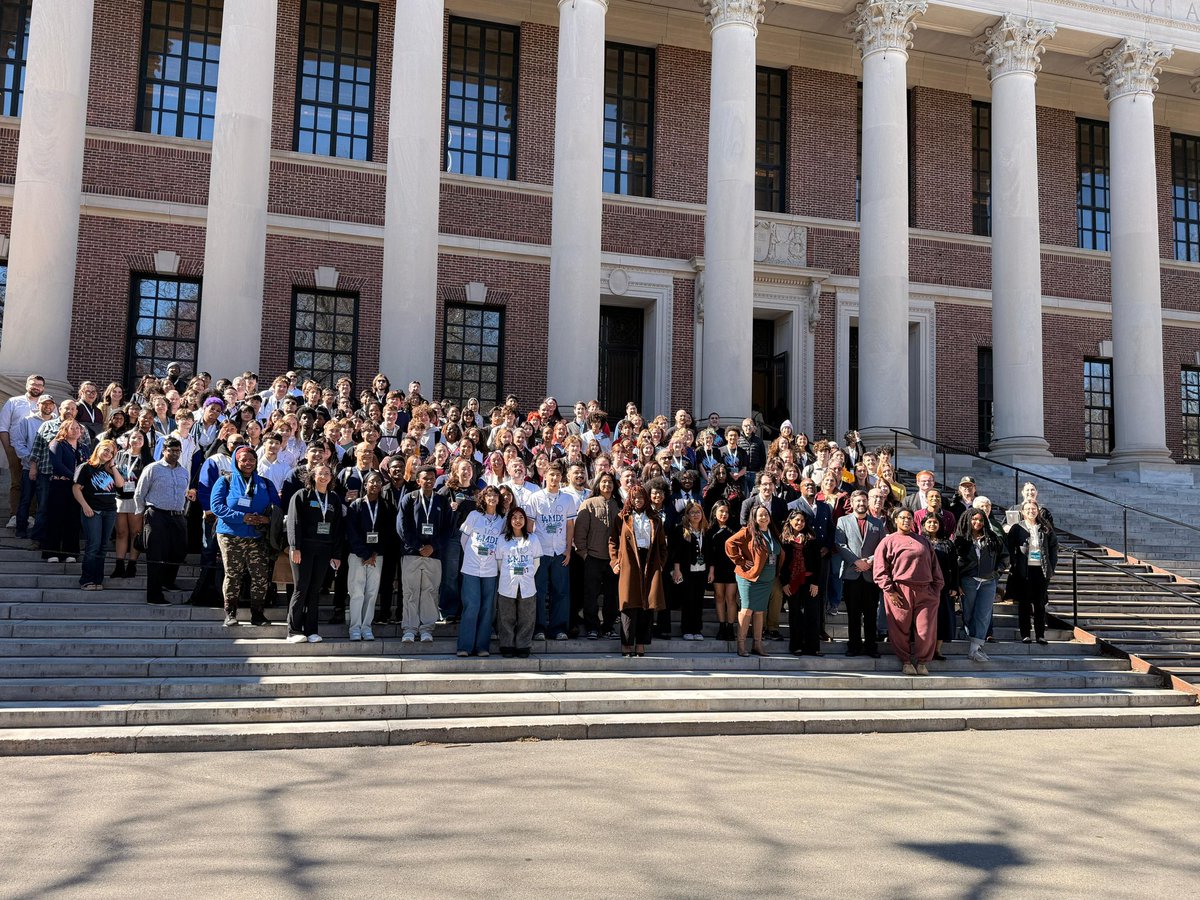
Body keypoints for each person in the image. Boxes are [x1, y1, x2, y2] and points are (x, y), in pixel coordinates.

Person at [210, 445, 280, 628]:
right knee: (233, 575)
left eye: (252, 460)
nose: (248, 463)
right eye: (244, 460)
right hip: (231, 535)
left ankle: (257, 614)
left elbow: (278, 508)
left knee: (260, 576)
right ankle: (230, 613)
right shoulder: (225, 481)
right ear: (236, 461)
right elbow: (217, 507)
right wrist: (242, 517)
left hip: (258, 537)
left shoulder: (266, 483)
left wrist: (267, 519)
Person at [873, 508, 945, 676]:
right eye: (902, 517)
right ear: (895, 520)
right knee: (900, 627)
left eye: (909, 518)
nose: (906, 520)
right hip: (899, 590)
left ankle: (922, 662)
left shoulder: (922, 541)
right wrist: (890, 590)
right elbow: (879, 569)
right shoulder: (888, 541)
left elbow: (935, 566)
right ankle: (905, 661)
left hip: (926, 591)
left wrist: (936, 589)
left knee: (925, 628)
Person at [285, 462, 345, 643]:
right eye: (320, 473)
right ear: (312, 476)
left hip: (324, 549)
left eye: (328, 473)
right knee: (301, 588)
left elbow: (337, 528)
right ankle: (293, 630)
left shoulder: (333, 498)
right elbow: (293, 523)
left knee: (314, 590)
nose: (324, 476)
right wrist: (295, 547)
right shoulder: (302, 495)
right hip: (303, 549)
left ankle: (311, 630)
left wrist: (336, 554)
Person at [133, 436, 195, 606]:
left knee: (180, 551)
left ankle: (168, 581)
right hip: (156, 514)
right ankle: (154, 595)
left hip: (177, 514)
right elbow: (139, 493)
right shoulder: (153, 468)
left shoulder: (183, 471)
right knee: (156, 555)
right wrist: (140, 514)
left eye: (177, 451)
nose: (175, 454)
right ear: (164, 450)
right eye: (171, 450)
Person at [609, 484, 667, 658]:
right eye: (634, 497)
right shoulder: (622, 517)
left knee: (647, 606)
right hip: (629, 561)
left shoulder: (655, 518)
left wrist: (661, 563)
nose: (638, 500)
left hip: (650, 560)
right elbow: (612, 541)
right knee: (629, 604)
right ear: (630, 499)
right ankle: (627, 644)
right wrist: (615, 563)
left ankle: (641, 644)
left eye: (641, 497)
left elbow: (662, 545)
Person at [397, 465, 452, 642]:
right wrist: (419, 546)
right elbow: (402, 527)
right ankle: (410, 629)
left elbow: (448, 529)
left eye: (431, 478)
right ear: (418, 480)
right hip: (412, 553)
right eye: (424, 478)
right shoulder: (409, 499)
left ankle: (427, 628)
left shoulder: (442, 501)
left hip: (433, 555)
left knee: (430, 591)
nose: (428, 481)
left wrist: (433, 547)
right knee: (410, 592)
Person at [527, 462, 577, 641]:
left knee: (561, 591)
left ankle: (558, 628)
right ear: (545, 477)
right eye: (551, 475)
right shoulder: (535, 498)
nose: (554, 478)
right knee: (539, 591)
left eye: (557, 475)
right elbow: (530, 526)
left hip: (560, 552)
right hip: (540, 552)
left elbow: (570, 526)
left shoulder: (567, 499)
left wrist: (568, 549)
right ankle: (539, 627)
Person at [833, 489, 885, 658]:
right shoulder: (843, 521)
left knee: (871, 613)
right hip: (851, 574)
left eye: (864, 501)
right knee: (853, 613)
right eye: (858, 501)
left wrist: (869, 561)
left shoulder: (877, 523)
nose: (861, 504)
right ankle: (853, 645)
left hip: (870, 575)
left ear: (867, 502)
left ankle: (871, 646)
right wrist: (856, 561)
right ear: (852, 503)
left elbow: (882, 547)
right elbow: (840, 544)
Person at [345, 471, 396, 641]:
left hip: (377, 556)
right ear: (365, 485)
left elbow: (389, 533)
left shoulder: (387, 506)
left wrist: (375, 552)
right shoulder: (356, 505)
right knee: (357, 591)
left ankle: (366, 626)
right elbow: (351, 532)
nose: (375, 485)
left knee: (372, 592)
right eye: (371, 482)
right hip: (357, 554)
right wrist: (365, 553)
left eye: (378, 482)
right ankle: (355, 627)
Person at [725, 505, 780, 658]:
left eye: (766, 514)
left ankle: (757, 645)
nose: (764, 517)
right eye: (760, 515)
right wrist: (740, 561)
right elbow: (729, 543)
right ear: (754, 518)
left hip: (767, 578)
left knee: (760, 610)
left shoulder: (772, 531)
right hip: (749, 577)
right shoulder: (748, 531)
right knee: (747, 609)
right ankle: (741, 645)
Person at [955, 507, 1009, 662]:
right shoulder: (960, 540)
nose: (977, 522)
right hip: (968, 581)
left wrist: (996, 573)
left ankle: (975, 648)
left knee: (983, 615)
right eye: (974, 519)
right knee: (969, 612)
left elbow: (1005, 557)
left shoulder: (992, 538)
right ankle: (967, 633)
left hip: (988, 582)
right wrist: (956, 583)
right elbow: (953, 564)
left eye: (980, 520)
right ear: (967, 520)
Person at [572, 471, 622, 639]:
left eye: (610, 482)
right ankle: (592, 627)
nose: (607, 485)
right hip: (592, 557)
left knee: (611, 595)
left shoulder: (619, 505)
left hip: (613, 560)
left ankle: (608, 627)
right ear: (598, 485)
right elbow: (579, 533)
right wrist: (584, 554)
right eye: (604, 482)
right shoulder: (588, 504)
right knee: (590, 595)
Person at [456, 484, 504, 656]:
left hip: (491, 570)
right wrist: (472, 555)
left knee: (487, 608)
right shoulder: (474, 516)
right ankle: (465, 646)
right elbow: (463, 540)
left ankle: (482, 646)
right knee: (472, 605)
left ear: (499, 499)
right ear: (483, 498)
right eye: (489, 495)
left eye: (495, 496)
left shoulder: (502, 520)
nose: (492, 498)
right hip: (471, 568)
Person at [73, 438, 124, 590]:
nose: (108, 454)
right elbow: (76, 488)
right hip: (93, 510)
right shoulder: (86, 467)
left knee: (103, 546)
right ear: (98, 449)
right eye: (106, 450)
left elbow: (121, 484)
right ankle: (86, 580)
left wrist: (113, 466)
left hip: (109, 511)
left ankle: (97, 580)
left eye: (112, 452)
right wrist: (85, 506)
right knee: (93, 545)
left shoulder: (111, 468)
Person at [1006, 499, 1058, 645]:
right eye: (1028, 509)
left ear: (1038, 510)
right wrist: (1014, 562)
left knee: (1040, 603)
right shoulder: (1017, 527)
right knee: (1024, 603)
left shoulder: (1045, 527)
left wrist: (1051, 566)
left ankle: (1040, 634)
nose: (1031, 511)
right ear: (1022, 512)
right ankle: (1025, 634)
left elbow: (1053, 547)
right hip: (1024, 570)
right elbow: (1010, 547)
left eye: (1033, 509)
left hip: (1041, 569)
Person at [494, 506, 543, 658]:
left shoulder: (533, 539)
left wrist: (525, 576)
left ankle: (523, 645)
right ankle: (507, 644)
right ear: (509, 520)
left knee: (527, 616)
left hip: (527, 584)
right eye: (514, 517)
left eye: (521, 517)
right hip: (507, 583)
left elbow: (536, 562)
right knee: (506, 616)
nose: (517, 520)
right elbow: (500, 563)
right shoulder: (502, 539)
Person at [0, 374, 45, 528]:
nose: (36, 387)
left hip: (37, 451)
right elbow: (3, 427)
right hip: (14, 448)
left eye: (39, 385)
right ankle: (14, 515)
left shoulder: (46, 404)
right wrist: (8, 448)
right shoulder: (13, 402)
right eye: (33, 384)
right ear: (27, 385)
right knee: (17, 482)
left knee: (34, 482)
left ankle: (30, 516)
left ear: (43, 388)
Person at [780, 508, 823, 656]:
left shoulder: (811, 539)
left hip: (810, 581)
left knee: (812, 614)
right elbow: (782, 565)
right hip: (792, 582)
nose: (800, 523)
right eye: (797, 520)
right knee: (795, 614)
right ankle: (796, 646)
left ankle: (813, 647)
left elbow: (818, 563)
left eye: (802, 520)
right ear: (790, 521)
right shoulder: (784, 540)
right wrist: (784, 582)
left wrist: (815, 582)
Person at [44, 420, 86, 563]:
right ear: (64, 430)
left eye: (77, 428)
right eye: (71, 428)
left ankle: (71, 553)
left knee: (73, 519)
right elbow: (57, 464)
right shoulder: (58, 444)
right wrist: (75, 477)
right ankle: (52, 552)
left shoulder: (83, 447)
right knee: (56, 518)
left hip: (77, 489)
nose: (75, 430)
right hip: (60, 485)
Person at [669, 501, 712, 641]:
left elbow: (711, 553)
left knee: (698, 601)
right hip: (686, 571)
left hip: (702, 571)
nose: (695, 515)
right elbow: (676, 552)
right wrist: (677, 569)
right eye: (692, 512)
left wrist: (711, 571)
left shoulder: (706, 530)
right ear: (687, 515)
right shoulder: (681, 530)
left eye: (698, 512)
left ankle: (697, 629)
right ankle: (686, 629)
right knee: (688, 600)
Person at [922, 513, 959, 663]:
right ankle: (925, 649)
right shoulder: (919, 540)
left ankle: (937, 649)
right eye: (929, 522)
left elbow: (954, 567)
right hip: (923, 584)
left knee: (943, 618)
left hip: (943, 586)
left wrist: (954, 586)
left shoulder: (947, 543)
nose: (932, 525)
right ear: (923, 524)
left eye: (935, 522)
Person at [707, 500, 738, 641]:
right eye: (721, 511)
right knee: (719, 597)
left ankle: (730, 628)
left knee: (731, 597)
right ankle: (722, 626)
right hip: (716, 567)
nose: (724, 514)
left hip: (732, 567)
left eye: (726, 512)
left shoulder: (734, 527)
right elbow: (709, 552)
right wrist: (711, 570)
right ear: (715, 512)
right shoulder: (710, 529)